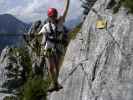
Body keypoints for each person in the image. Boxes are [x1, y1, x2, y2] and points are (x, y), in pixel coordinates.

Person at [38, 0, 70, 92]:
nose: (53, 17)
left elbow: (65, 10)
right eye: (51, 16)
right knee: (50, 68)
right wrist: (32, 35)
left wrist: (67, 2)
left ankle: (55, 83)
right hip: (48, 48)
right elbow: (39, 34)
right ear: (49, 17)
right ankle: (54, 83)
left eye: (54, 16)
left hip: (58, 48)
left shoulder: (60, 21)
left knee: (57, 68)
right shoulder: (46, 26)